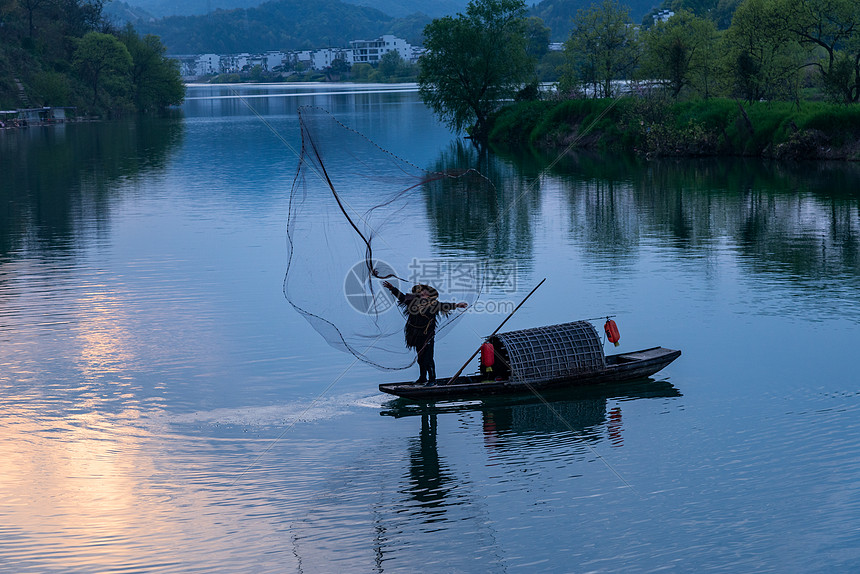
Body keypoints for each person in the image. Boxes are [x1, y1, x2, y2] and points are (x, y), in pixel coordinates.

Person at [383, 281, 467, 385]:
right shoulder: (413, 301)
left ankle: (432, 380)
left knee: (428, 358)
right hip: (415, 335)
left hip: (428, 335)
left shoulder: (434, 304)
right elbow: (402, 297)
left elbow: (445, 305)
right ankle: (422, 378)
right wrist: (392, 288)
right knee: (420, 358)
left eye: (425, 293)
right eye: (421, 292)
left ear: (430, 295)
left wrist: (458, 305)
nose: (423, 294)